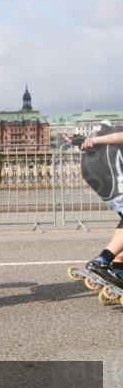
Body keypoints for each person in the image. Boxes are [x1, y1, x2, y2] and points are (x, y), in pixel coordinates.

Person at [64, 123, 123, 297]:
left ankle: (118, 267)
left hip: (97, 169)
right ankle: (101, 262)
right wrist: (94, 140)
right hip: (110, 168)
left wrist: (87, 141)